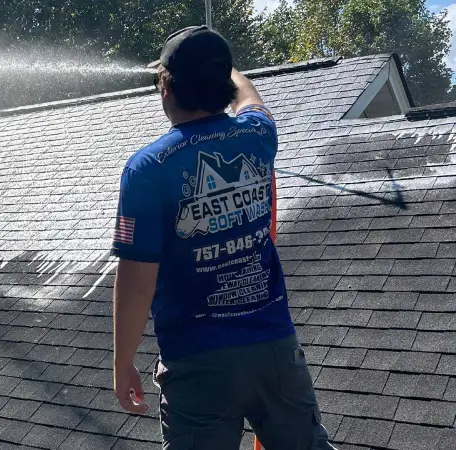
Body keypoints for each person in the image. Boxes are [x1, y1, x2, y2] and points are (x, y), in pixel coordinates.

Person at [110, 26, 337, 450]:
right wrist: (220, 67)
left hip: (197, 363)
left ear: (166, 89)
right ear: (219, 84)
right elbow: (248, 94)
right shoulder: (257, 135)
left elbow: (137, 281)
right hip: (275, 348)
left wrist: (123, 362)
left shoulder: (147, 168)